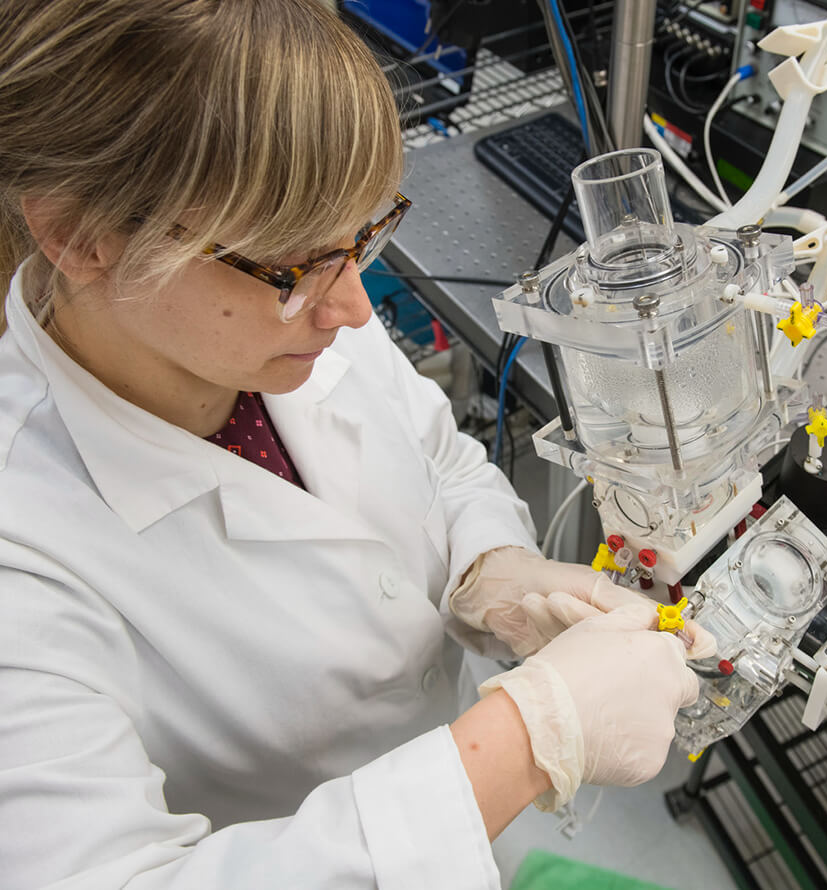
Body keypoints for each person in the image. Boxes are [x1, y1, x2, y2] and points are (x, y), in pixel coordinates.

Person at [0, 2, 715, 887]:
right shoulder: (21, 549)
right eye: (294, 265)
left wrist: (491, 570)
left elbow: (436, 455)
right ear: (79, 235)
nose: (353, 309)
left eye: (361, 238)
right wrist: (525, 745)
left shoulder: (284, 327)